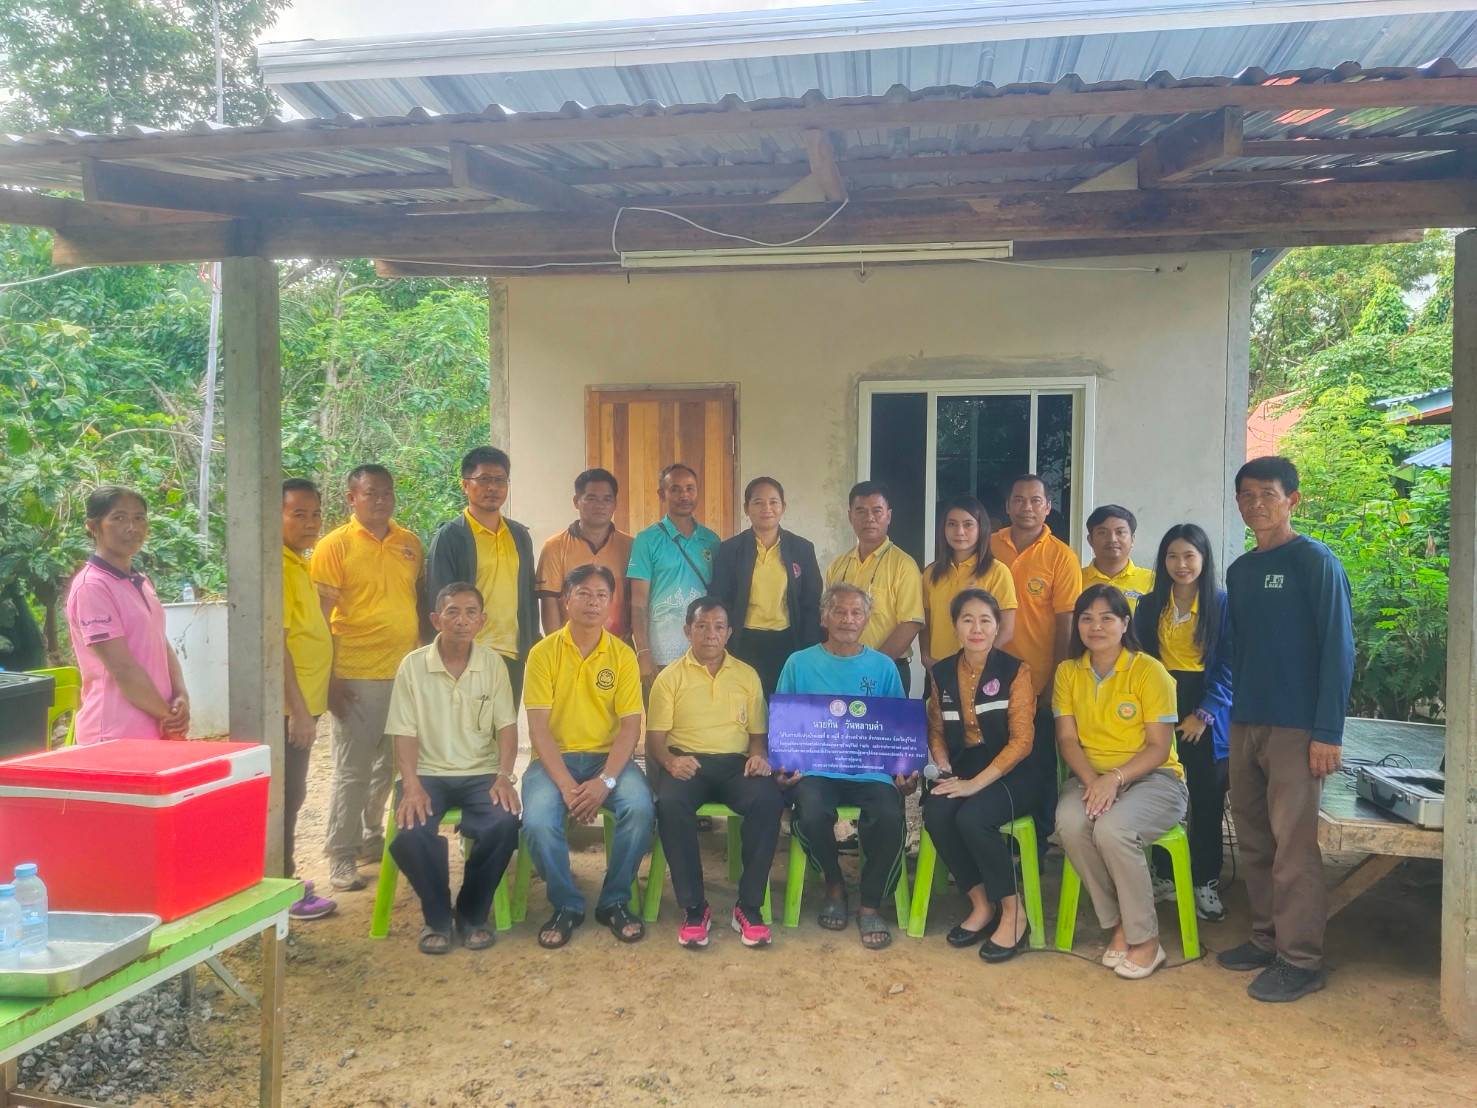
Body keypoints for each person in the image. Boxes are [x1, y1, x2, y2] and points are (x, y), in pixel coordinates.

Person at [1218, 456, 1352, 1003]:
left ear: (1292, 499)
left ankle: (1301, 959)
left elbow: (1338, 650)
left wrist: (1327, 731)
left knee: (1293, 846)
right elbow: (1238, 652)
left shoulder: (1314, 561)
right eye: (1246, 495)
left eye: (1267, 494)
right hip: (1247, 720)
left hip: (1297, 729)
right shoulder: (1240, 571)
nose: (1255, 504)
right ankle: (1265, 938)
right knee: (1252, 836)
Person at [1054, 584, 1187, 980]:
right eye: (1087, 618)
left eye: (1107, 617)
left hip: (1154, 780)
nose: (1096, 626)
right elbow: (1066, 739)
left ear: (1124, 623)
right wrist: (1094, 781)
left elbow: (1159, 747)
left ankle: (1147, 940)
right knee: (1071, 824)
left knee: (1113, 830)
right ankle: (1117, 925)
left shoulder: (1149, 671)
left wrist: (1113, 779)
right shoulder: (1068, 672)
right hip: (1089, 777)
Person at [775, 583, 917, 950]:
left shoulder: (884, 667)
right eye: (838, 611)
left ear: (867, 619)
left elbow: (898, 728)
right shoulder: (798, 663)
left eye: (856, 613)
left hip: (870, 770)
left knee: (888, 813)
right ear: (824, 617)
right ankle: (833, 883)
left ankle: (871, 902)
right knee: (809, 810)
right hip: (816, 769)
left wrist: (904, 770)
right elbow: (785, 724)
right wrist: (784, 766)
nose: (847, 619)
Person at [521, 564, 654, 948]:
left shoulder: (622, 655)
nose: (593, 603)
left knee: (641, 810)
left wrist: (605, 782)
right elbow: (539, 728)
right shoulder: (543, 654)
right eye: (583, 593)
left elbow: (631, 727)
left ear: (611, 604)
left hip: (606, 760)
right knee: (538, 822)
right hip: (554, 762)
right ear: (566, 600)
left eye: (601, 596)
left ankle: (614, 900)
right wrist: (565, 785)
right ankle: (566, 904)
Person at [386, 582, 521, 955]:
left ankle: (472, 912)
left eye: (470, 613)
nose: (462, 621)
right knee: (412, 832)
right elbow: (403, 733)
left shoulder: (493, 664)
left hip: (480, 772)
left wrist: (504, 776)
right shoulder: (412, 667)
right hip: (426, 773)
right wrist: (411, 784)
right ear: (435, 619)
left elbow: (506, 728)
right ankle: (437, 916)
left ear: (482, 621)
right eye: (452, 612)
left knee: (505, 823)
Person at [311, 464, 425, 893]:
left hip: (404, 674)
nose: (380, 500)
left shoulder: (409, 543)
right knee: (352, 770)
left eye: (387, 493)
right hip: (355, 675)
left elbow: (412, 604)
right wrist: (329, 677)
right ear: (351, 498)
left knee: (392, 765)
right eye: (370, 493)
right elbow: (321, 620)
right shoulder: (333, 547)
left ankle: (371, 837)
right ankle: (340, 854)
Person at [647, 597, 782, 948]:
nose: (710, 634)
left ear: (729, 632)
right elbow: (656, 739)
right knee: (671, 804)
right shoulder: (668, 678)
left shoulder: (746, 675)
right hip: (687, 762)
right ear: (687, 630)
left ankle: (749, 908)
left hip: (735, 764)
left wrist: (757, 756)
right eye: (702, 626)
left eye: (718, 627)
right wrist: (671, 762)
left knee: (767, 800)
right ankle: (694, 909)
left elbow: (757, 735)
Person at [922, 588, 1038, 962]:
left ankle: (1013, 910)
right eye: (967, 619)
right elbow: (937, 729)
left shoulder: (1015, 671)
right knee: (936, 812)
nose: (976, 628)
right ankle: (980, 904)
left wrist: (974, 784)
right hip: (964, 768)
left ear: (997, 627)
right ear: (955, 626)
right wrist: (943, 768)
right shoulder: (940, 672)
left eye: (985, 620)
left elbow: (1022, 742)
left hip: (1013, 773)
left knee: (973, 819)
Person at [1133, 523, 1233, 923]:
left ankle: (1205, 880)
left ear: (1204, 560)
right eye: (1173, 556)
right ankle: (1163, 876)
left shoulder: (1222, 604)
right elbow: (1139, 661)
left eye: (1190, 556)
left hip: (1205, 710)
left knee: (1206, 800)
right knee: (1159, 790)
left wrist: (1204, 714)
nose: (1181, 565)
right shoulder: (1149, 604)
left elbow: (1230, 665)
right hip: (1161, 705)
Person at [989, 474, 1082, 830]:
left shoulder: (1061, 556)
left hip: (1038, 680)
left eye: (1035, 501)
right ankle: (993, 837)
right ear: (1008, 506)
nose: (1026, 507)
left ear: (1047, 507)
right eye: (1019, 500)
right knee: (993, 758)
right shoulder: (989, 545)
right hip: (991, 676)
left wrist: (1056, 678)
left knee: (1038, 764)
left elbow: (1066, 623)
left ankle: (1037, 844)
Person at [65, 486, 189, 745]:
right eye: (119, 518)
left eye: (139, 518)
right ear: (93, 526)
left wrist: (181, 696)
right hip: (114, 734)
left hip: (157, 727)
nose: (132, 527)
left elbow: (160, 643)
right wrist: (168, 717)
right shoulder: (92, 586)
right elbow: (123, 668)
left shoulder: (141, 581)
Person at [426, 446, 539, 703]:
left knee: (503, 731)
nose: (493, 488)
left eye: (500, 480)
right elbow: (439, 598)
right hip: (469, 652)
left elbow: (529, 595)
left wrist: (532, 643)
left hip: (512, 653)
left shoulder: (519, 535)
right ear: (465, 485)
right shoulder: (451, 537)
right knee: (466, 733)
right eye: (484, 479)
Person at [281, 478, 337, 922]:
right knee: (287, 794)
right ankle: (282, 888)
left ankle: (284, 880)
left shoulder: (297, 564)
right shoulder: (277, 568)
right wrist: (298, 711)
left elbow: (305, 632)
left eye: (315, 513)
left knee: (294, 792)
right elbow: (276, 646)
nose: (310, 522)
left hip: (308, 700)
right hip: (288, 708)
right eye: (298, 513)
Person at [709, 476, 822, 695]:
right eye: (758, 502)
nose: (766, 508)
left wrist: (810, 651)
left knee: (783, 707)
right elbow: (719, 600)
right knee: (746, 705)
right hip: (743, 642)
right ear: (746, 508)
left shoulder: (802, 549)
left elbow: (811, 603)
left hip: (788, 642)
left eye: (773, 502)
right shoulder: (730, 550)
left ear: (783, 507)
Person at [824, 481, 925, 695]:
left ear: (888, 515)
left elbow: (910, 623)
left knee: (883, 729)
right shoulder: (838, 565)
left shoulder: (903, 565)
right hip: (839, 669)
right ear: (850, 516)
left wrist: (872, 666)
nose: (869, 518)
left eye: (877, 511)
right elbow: (829, 618)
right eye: (861, 511)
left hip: (888, 669)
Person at [628, 463, 720, 689]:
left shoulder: (712, 540)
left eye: (690, 488)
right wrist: (643, 652)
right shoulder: (646, 540)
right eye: (675, 489)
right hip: (660, 654)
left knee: (699, 721)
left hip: (703, 651)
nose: (684, 495)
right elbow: (638, 603)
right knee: (661, 721)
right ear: (662, 494)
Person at [921, 495, 1018, 672]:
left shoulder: (997, 572)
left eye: (968, 524)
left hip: (979, 670)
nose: (959, 531)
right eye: (952, 524)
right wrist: (926, 657)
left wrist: (981, 662)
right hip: (939, 668)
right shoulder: (931, 573)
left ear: (981, 528)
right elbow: (925, 623)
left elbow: (1006, 629)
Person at [535, 467, 633, 639]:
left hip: (619, 648)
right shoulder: (555, 547)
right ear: (576, 501)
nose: (600, 505)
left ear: (615, 503)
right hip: (571, 647)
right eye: (591, 498)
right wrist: (560, 650)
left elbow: (637, 600)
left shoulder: (631, 546)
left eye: (607, 499)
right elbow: (549, 603)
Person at [1081, 505, 1155, 608]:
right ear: (1090, 540)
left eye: (1120, 532)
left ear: (1132, 539)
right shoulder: (1075, 579)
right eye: (1102, 532)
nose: (1112, 539)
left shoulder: (1153, 581)